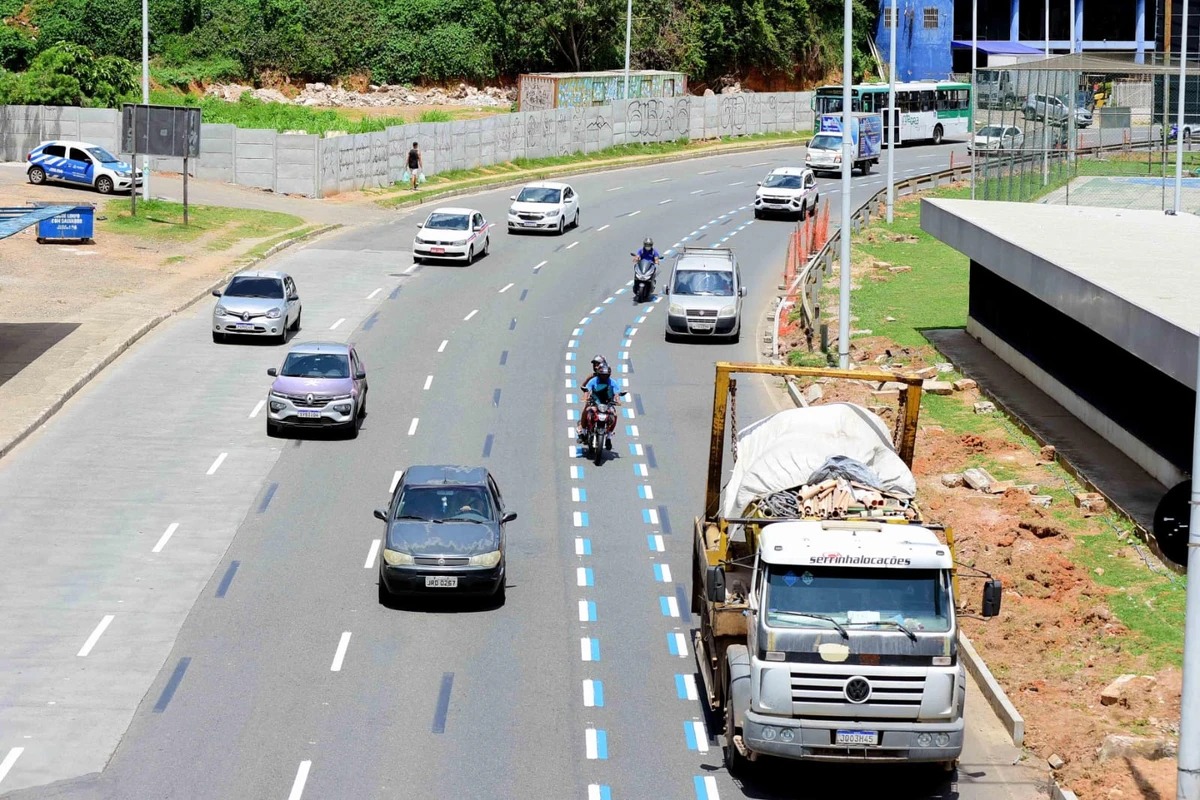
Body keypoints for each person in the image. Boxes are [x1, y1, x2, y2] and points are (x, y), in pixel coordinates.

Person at [579, 364, 621, 450]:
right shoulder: (593, 381)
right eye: (602, 375)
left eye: (605, 375)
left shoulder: (613, 382)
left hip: (607, 403)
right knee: (587, 410)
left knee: (615, 415)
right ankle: (583, 432)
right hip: (595, 402)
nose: (604, 377)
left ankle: (609, 437)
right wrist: (585, 397)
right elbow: (587, 390)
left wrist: (618, 400)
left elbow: (617, 393)